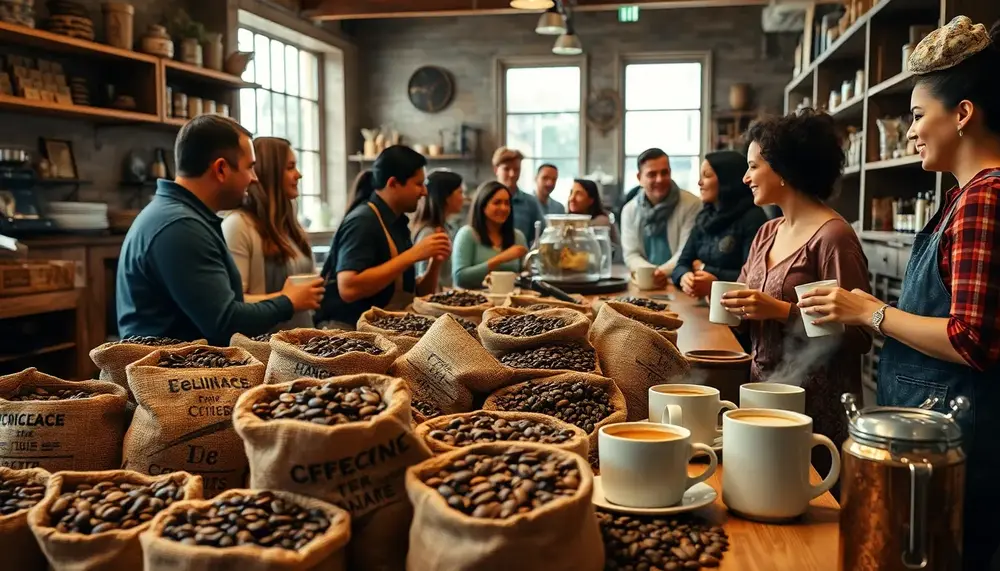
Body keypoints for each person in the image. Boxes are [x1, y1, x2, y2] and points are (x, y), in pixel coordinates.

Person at [796, 17, 1000, 568]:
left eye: (916, 116)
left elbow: (972, 340)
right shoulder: (963, 197)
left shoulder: (986, 197)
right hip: (933, 433)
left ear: (961, 115)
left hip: (961, 442)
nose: (909, 131)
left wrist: (873, 311)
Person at [719, 109, 873, 492]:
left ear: (783, 169)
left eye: (753, 166)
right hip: (762, 395)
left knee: (809, 512)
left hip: (815, 411)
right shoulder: (767, 232)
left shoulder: (834, 237)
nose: (745, 177)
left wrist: (781, 312)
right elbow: (743, 297)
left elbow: (859, 334)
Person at [117, 116, 324, 346]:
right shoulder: (181, 227)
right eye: (250, 167)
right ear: (221, 169)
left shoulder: (182, 217)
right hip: (168, 374)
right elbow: (226, 322)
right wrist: (288, 302)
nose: (254, 179)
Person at [316, 146, 451, 329]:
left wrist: (435, 262)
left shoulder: (397, 223)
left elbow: (415, 294)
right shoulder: (363, 221)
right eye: (418, 184)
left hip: (382, 330)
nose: (424, 192)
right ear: (393, 183)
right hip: (349, 336)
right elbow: (348, 288)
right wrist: (412, 255)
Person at [222, 137, 316, 331]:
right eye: (290, 167)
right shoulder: (238, 225)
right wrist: (287, 300)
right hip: (265, 347)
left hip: (304, 341)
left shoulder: (289, 223)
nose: (298, 175)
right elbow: (234, 304)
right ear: (269, 173)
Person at [673, 150, 768, 299]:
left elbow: (754, 276)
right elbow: (681, 264)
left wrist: (710, 276)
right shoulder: (704, 217)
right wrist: (685, 277)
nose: (700, 182)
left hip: (736, 308)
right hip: (702, 306)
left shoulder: (753, 218)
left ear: (727, 179)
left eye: (707, 175)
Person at [620, 148, 702, 287]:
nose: (659, 179)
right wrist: (650, 274)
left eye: (664, 172)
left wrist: (661, 273)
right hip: (643, 282)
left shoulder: (692, 204)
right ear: (639, 178)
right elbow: (631, 254)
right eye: (652, 174)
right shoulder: (629, 210)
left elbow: (686, 251)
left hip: (680, 282)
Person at [451, 181, 528, 290]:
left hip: (511, 302)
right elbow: (460, 278)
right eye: (497, 202)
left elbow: (526, 274)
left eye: (507, 203)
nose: (503, 208)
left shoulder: (518, 237)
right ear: (482, 205)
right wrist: (501, 259)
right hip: (473, 302)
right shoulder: (467, 234)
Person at [411, 169, 465, 290]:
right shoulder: (429, 233)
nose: (463, 198)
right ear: (447, 197)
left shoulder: (447, 227)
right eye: (460, 193)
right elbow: (423, 279)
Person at [493, 147, 546, 245]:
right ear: (496, 170)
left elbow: (541, 235)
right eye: (506, 169)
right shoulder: (485, 200)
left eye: (516, 169)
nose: (512, 174)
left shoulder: (530, 203)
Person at [568, 178, 619, 245]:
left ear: (591, 200)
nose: (572, 198)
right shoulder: (568, 220)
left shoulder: (601, 222)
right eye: (571, 193)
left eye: (579, 194)